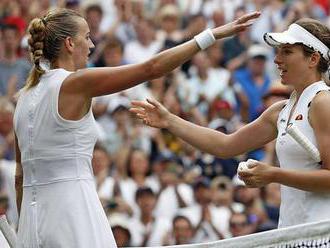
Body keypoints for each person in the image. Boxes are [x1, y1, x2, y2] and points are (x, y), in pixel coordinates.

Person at [13, 8, 260, 248]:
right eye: (86, 38)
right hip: (74, 212)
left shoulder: (23, 98)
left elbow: (19, 177)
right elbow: (150, 68)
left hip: (30, 224)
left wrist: (24, 229)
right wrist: (211, 35)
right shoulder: (75, 82)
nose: (91, 46)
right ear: (69, 43)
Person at [130, 17, 330, 229]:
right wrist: (170, 120)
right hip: (293, 230)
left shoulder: (323, 102)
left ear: (313, 59)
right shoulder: (280, 110)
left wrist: (273, 174)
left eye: (286, 52)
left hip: (321, 232)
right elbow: (225, 145)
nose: (276, 59)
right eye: (278, 51)